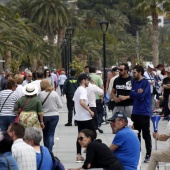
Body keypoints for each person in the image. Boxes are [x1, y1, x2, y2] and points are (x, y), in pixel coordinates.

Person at [130, 65, 152, 163]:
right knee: (135, 135)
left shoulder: (146, 83)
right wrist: (136, 93)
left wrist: (137, 94)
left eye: (134, 72)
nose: (133, 74)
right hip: (135, 113)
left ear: (140, 72)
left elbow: (142, 95)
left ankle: (148, 154)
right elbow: (131, 94)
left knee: (146, 135)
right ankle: (137, 153)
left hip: (144, 113)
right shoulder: (134, 82)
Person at [73, 73, 96, 162]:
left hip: (79, 117)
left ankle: (79, 155)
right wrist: (90, 111)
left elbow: (75, 101)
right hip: (86, 117)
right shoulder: (82, 90)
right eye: (87, 80)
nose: (88, 82)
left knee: (80, 136)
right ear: (83, 81)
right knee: (93, 135)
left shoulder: (77, 90)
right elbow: (81, 102)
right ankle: (91, 153)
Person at [38, 79, 63, 150]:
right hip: (54, 115)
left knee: (45, 134)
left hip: (44, 116)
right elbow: (60, 105)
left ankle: (47, 149)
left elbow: (39, 106)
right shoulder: (54, 93)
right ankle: (50, 148)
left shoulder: (40, 94)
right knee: (51, 133)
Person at [89, 66, 104, 133]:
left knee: (91, 113)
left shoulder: (87, 77)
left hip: (89, 99)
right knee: (100, 112)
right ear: (95, 71)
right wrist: (102, 97)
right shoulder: (98, 77)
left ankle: (93, 125)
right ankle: (98, 123)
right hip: (97, 97)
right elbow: (101, 87)